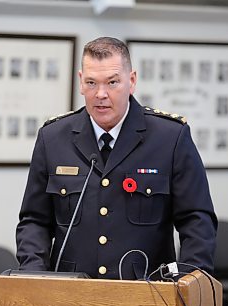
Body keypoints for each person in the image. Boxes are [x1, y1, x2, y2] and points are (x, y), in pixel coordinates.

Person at [16, 37, 217, 280]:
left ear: (131, 81)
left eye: (112, 82)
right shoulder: (53, 138)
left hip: (148, 295)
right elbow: (34, 221)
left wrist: (186, 284)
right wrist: (33, 279)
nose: (100, 94)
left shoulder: (170, 138)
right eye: (91, 83)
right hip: (70, 297)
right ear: (80, 82)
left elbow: (197, 222)